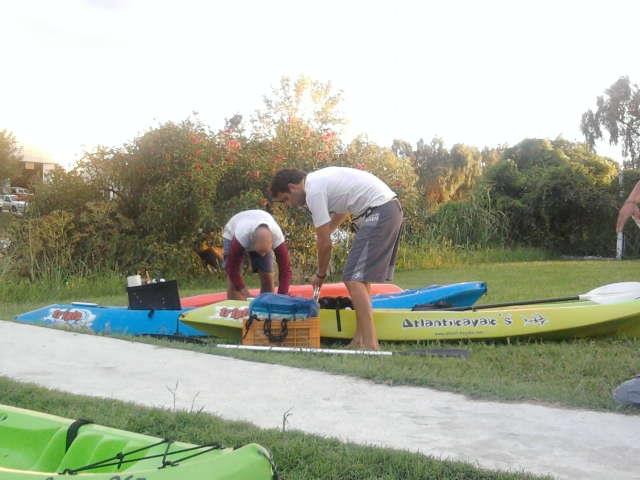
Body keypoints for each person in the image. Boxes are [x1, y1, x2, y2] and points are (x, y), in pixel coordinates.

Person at [270, 167, 403, 350]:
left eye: (286, 199)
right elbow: (342, 211)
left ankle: (371, 344)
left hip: (380, 211)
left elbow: (325, 245)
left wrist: (320, 274)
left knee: (353, 278)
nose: (289, 204)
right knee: (360, 279)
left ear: (292, 187)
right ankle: (359, 339)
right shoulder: (318, 181)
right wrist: (328, 231)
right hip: (386, 209)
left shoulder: (313, 191)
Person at [222, 210, 292, 300]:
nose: (262, 255)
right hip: (232, 232)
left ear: (272, 243)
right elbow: (232, 268)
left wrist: (282, 296)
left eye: (265, 252)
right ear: (253, 243)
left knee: (268, 277)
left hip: (259, 232)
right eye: (260, 251)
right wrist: (244, 292)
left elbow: (285, 270)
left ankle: (265, 305)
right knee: (233, 284)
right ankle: (236, 306)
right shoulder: (241, 236)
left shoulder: (277, 237)